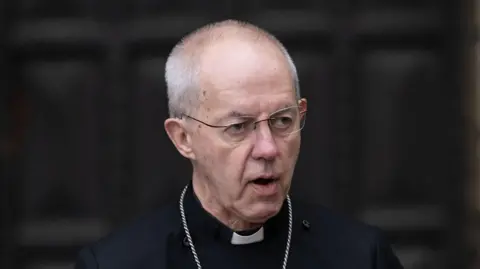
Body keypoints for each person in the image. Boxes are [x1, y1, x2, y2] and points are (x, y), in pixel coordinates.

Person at [75, 20, 404, 269]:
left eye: (283, 121)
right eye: (238, 127)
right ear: (183, 138)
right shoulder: (114, 264)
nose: (268, 149)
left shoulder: (361, 256)